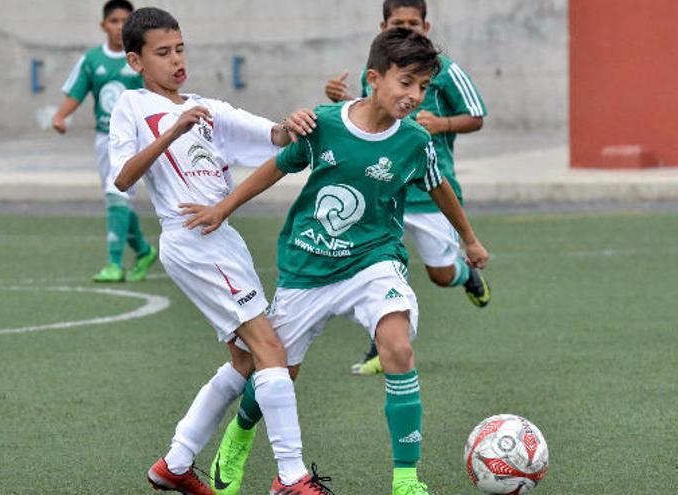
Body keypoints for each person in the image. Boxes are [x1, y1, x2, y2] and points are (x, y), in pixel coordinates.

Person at [184, 27, 490, 495]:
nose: (415, 95)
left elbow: (438, 186)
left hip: (375, 260)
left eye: (424, 87)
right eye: (406, 82)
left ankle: (406, 478)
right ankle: (240, 433)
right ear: (374, 78)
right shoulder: (323, 123)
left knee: (398, 347)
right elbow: (276, 166)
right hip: (308, 268)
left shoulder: (413, 141)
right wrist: (224, 208)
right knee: (276, 373)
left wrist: (468, 239)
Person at [109, 8, 333, 494]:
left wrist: (296, 119)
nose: (176, 60)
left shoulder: (208, 108)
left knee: (248, 359)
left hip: (221, 239)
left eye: (181, 49)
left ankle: (176, 462)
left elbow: (276, 136)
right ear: (136, 61)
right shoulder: (132, 106)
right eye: (163, 53)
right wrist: (172, 131)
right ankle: (292, 478)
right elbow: (123, 178)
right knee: (270, 348)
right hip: (191, 237)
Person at [325, 0, 491, 375]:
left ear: (426, 28)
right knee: (380, 268)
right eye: (397, 23)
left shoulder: (444, 70)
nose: (407, 29)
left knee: (440, 273)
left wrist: (444, 124)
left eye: (413, 23)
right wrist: (338, 100)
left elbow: (477, 115)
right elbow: (364, 116)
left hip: (429, 193)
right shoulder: (382, 69)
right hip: (383, 190)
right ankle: (381, 349)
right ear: (382, 26)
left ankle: (467, 278)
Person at [52, 0, 156, 283]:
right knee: (118, 200)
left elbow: (156, 94)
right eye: (114, 21)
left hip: (133, 140)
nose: (120, 27)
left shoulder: (141, 58)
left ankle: (114, 264)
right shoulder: (92, 60)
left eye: (126, 20)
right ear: (103, 25)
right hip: (104, 140)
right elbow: (76, 93)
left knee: (116, 196)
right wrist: (61, 116)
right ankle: (145, 251)